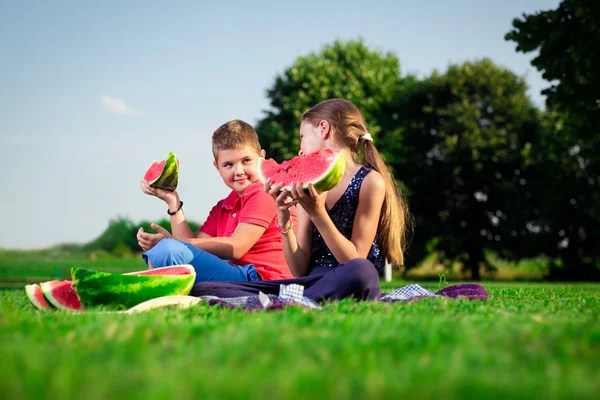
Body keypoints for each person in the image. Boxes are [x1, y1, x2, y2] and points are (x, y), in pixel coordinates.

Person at [190, 99, 411, 302]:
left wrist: (318, 213)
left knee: (362, 271)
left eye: (302, 137)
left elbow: (354, 259)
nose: (300, 148)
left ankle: (289, 298)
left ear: (323, 128)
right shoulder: (305, 184)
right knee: (208, 288)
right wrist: (284, 216)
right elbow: (299, 269)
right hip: (308, 282)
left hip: (349, 276)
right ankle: (297, 297)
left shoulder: (371, 181)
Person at [136, 119, 295, 283]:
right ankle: (160, 296)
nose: (238, 171)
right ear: (217, 167)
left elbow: (237, 247)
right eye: (228, 164)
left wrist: (173, 243)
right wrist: (173, 201)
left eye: (246, 160)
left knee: (168, 250)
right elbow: (194, 246)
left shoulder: (266, 191)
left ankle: (156, 294)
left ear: (262, 157)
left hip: (264, 279)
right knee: (168, 250)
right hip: (237, 274)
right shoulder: (222, 207)